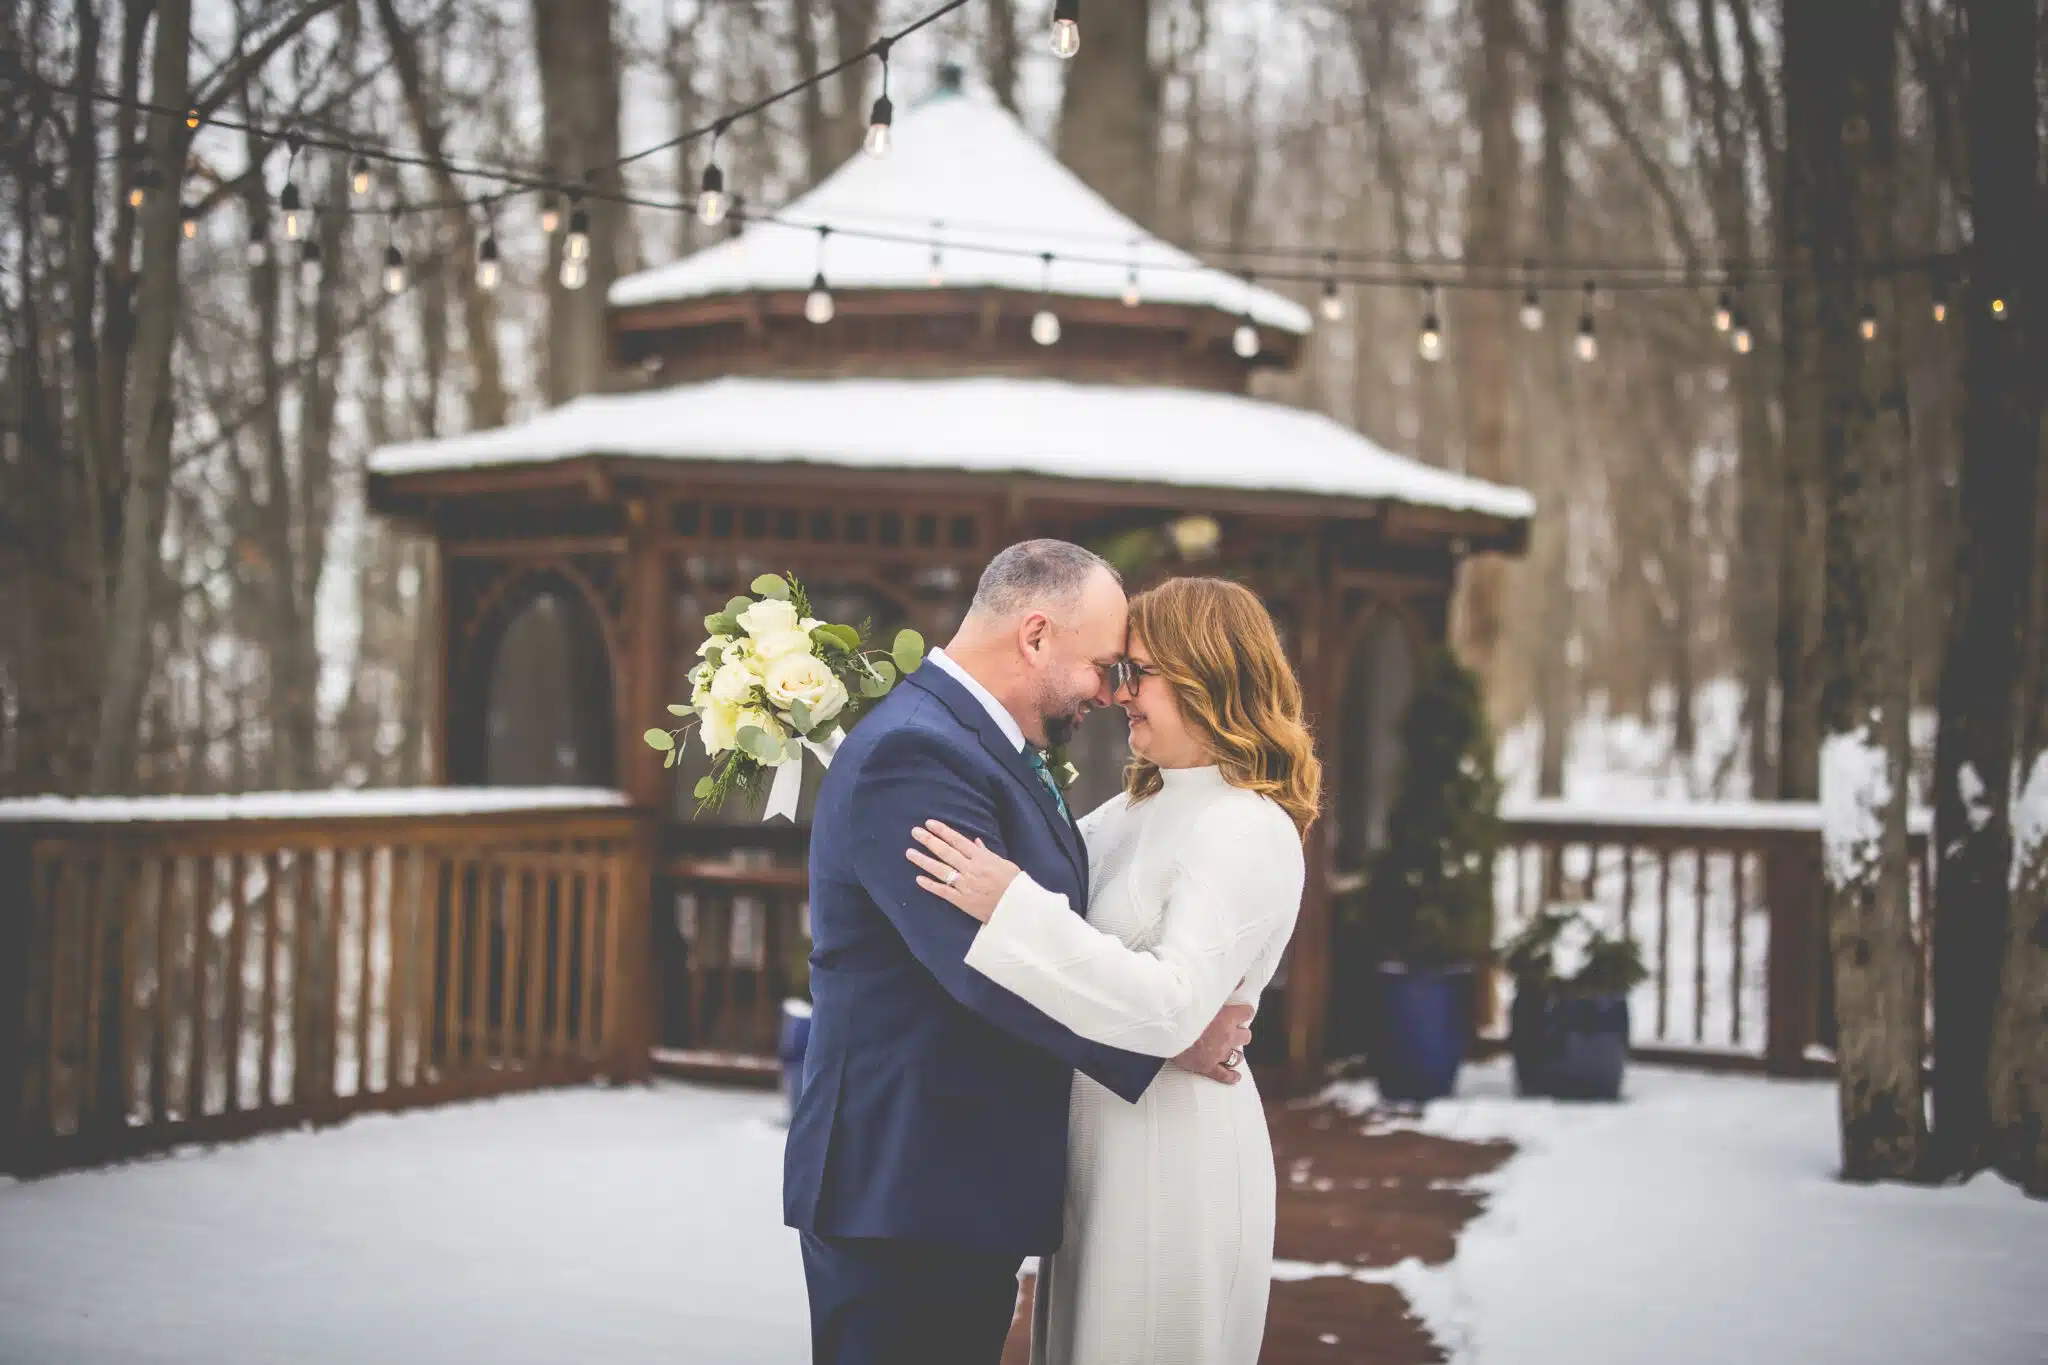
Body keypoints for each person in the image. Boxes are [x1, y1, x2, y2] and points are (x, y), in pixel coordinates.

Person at [785, 541, 1256, 1365]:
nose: (1111, 694)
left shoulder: (983, 744)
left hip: (954, 1187)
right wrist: (1168, 1033)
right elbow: (980, 966)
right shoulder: (916, 755)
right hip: (904, 1187)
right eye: (1105, 666)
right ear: (1036, 636)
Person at [905, 575, 1319, 1365]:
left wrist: (1013, 906)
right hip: (1099, 1153)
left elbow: (1168, 1005)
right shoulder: (1129, 813)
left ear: (1209, 671)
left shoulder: (1244, 823)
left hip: (1175, 1160)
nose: (1117, 693)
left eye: (1138, 672)